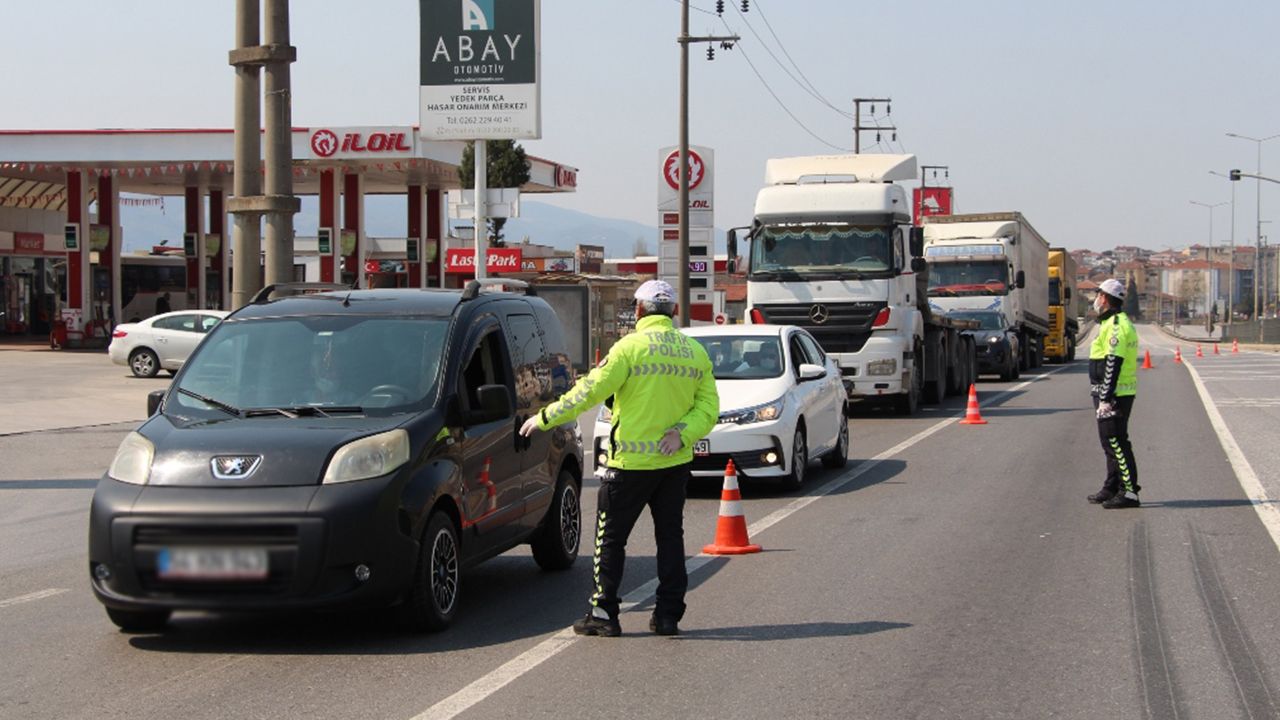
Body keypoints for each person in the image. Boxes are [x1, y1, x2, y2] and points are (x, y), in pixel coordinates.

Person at [519, 279, 719, 637]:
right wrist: (682, 433)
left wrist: (545, 417)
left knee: (610, 540)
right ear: (672, 312)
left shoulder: (629, 348)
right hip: (673, 464)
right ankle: (669, 615)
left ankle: (604, 614)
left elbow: (589, 390)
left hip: (628, 465)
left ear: (639, 311)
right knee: (670, 539)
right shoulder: (694, 352)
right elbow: (709, 408)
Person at [1087, 278, 1141, 508]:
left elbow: (1113, 363)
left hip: (1116, 394)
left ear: (1106, 298)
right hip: (1106, 392)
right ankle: (1111, 486)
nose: (1096, 299)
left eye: (1099, 295)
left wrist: (1106, 399)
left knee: (1116, 443)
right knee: (1108, 443)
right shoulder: (1109, 323)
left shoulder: (1117, 325)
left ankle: (1129, 492)